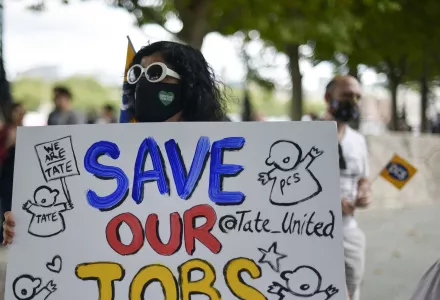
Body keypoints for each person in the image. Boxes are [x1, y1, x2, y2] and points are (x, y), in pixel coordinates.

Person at [3, 40, 229, 244]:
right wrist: (24, 233)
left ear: (187, 84)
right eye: (137, 74)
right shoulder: (109, 155)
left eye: (156, 73)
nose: (143, 83)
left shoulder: (227, 148)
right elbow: (78, 215)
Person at [322, 76, 371, 300]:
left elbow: (363, 178)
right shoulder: (305, 134)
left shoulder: (358, 140)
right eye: (346, 96)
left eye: (357, 97)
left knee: (352, 291)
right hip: (314, 232)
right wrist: (330, 198)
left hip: (349, 232)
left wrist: (364, 193)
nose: (353, 101)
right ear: (328, 98)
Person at [0, 103, 24, 243]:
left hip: (19, 173)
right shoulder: (6, 130)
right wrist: (9, 143)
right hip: (7, 173)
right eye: (17, 112)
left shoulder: (26, 130)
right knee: (7, 205)